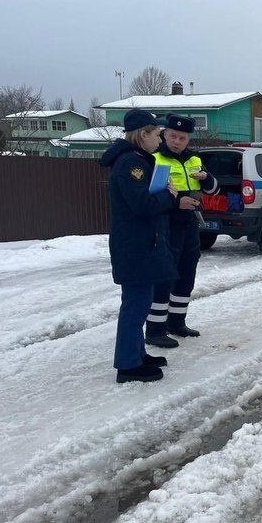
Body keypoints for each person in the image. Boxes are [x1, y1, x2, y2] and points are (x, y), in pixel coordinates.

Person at [99, 109, 179, 383]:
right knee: (134, 306)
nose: (160, 140)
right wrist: (168, 196)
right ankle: (128, 365)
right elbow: (142, 205)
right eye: (157, 135)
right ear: (143, 134)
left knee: (141, 303)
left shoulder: (138, 160)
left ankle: (137, 353)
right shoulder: (129, 165)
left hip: (142, 244)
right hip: (135, 246)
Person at [145, 114, 219, 348]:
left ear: (188, 139)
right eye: (173, 136)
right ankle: (155, 329)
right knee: (165, 276)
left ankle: (177, 322)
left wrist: (206, 178)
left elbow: (214, 190)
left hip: (190, 224)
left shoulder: (194, 160)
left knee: (187, 275)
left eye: (183, 138)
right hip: (166, 224)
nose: (177, 141)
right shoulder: (153, 158)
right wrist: (177, 203)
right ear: (165, 135)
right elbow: (147, 197)